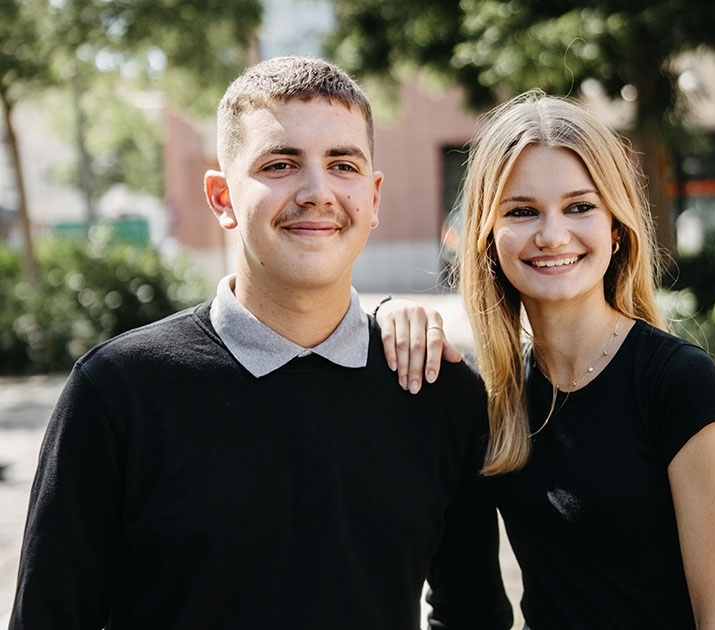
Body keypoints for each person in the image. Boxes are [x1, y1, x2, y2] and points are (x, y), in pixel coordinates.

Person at [8, 56, 513, 630]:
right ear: (222, 197)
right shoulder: (118, 391)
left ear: (372, 198)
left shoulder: (439, 392)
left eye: (342, 164)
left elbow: (474, 613)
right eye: (281, 163)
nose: (318, 191)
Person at [377, 90, 715, 628]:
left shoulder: (678, 385)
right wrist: (390, 315)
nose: (553, 234)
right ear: (487, 236)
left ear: (616, 228)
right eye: (523, 211)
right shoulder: (503, 399)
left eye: (579, 206)